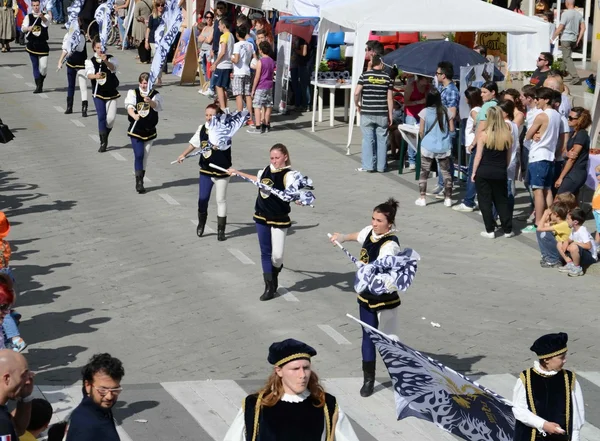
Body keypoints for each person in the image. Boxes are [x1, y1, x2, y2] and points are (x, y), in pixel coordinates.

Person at [329, 199, 403, 397]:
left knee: (389, 340)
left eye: (379, 220)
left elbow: (385, 264)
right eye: (373, 218)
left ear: (390, 224)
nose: (374, 223)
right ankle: (368, 379)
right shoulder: (370, 232)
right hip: (366, 296)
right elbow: (358, 236)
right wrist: (342, 237)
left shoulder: (390, 245)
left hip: (385, 299)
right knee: (368, 337)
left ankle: (401, 378)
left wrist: (369, 268)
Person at [223, 339, 360, 441]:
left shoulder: (326, 404)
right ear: (279, 371)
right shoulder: (255, 405)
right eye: (295, 369)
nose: (302, 375)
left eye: (306, 368)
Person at [227, 144, 305, 301]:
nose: (274, 161)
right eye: (272, 158)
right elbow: (257, 180)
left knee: (277, 256)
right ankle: (269, 286)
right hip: (261, 215)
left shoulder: (289, 175)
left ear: (285, 157)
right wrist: (237, 173)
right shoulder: (266, 170)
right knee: (265, 252)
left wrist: (298, 199)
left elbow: (295, 191)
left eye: (277, 158)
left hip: (279, 218)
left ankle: (275, 271)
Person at [177, 104, 249, 241]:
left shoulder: (225, 130)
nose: (209, 118)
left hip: (222, 170)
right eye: (207, 115)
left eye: (212, 115)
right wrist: (183, 155)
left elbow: (225, 144)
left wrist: (218, 144)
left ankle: (221, 230)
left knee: (220, 200)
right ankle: (201, 223)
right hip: (205, 170)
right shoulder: (202, 128)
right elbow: (194, 143)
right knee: (202, 199)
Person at [513, 332, 584, 440]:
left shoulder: (569, 379)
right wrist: (543, 424)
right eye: (561, 357)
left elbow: (577, 419)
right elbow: (519, 410)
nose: (565, 360)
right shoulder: (526, 379)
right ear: (546, 359)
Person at [454, 81, 499, 213]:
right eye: (481, 92)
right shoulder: (497, 105)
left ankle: (469, 201)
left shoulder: (487, 107)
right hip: (492, 143)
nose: (482, 94)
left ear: (493, 92)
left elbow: (482, 126)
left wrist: (473, 143)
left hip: (481, 143)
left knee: (473, 174)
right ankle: (485, 203)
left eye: (485, 92)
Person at [471, 106, 514, 238]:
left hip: (484, 171)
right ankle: (507, 230)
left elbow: (478, 156)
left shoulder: (484, 134)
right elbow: (508, 157)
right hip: (500, 171)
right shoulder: (507, 135)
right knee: (501, 201)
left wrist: (473, 172)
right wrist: (503, 168)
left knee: (485, 201)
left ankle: (490, 230)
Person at [524, 87, 561, 233]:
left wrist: (532, 135)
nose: (536, 101)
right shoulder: (557, 115)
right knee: (547, 190)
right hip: (550, 155)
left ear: (546, 100)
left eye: (538, 98)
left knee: (538, 191)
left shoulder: (542, 116)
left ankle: (538, 222)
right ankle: (550, 219)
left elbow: (527, 135)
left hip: (538, 156)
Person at [65, 353, 125, 441]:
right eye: (103, 390)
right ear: (88, 385)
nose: (109, 396)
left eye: (115, 390)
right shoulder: (85, 426)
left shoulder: (99, 408)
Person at [124, 72, 163, 194]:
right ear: (139, 83)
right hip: (136, 130)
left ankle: (141, 179)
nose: (144, 85)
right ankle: (138, 182)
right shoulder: (133, 93)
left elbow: (157, 106)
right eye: (143, 83)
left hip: (149, 130)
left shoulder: (155, 94)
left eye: (146, 83)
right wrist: (134, 115)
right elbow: (129, 106)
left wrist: (150, 101)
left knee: (145, 156)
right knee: (139, 154)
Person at [414, 89, 454, 207]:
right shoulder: (446, 111)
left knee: (424, 172)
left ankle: (422, 198)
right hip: (444, 146)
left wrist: (424, 138)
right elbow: (452, 129)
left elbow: (421, 131)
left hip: (428, 146)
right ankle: (448, 198)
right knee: (446, 173)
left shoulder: (424, 112)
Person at [355, 54, 393, 173]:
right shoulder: (388, 77)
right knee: (382, 140)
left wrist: (357, 105)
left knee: (367, 139)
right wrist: (390, 115)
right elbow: (390, 98)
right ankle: (381, 167)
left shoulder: (364, 75)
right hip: (381, 112)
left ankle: (369, 166)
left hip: (367, 111)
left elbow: (356, 93)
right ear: (381, 64)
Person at [85, 37, 120, 153]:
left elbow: (113, 68)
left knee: (110, 119)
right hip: (98, 92)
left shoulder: (111, 58)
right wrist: (95, 76)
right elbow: (89, 74)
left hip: (111, 93)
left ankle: (105, 134)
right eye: (98, 48)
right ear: (94, 48)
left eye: (102, 47)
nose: (100, 50)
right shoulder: (90, 61)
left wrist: (105, 61)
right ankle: (103, 142)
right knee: (101, 116)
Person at [555, 107, 591, 196]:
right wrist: (566, 154)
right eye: (568, 116)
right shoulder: (574, 133)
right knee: (570, 203)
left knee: (559, 200)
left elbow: (572, 159)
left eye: (571, 118)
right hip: (571, 172)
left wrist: (560, 178)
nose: (568, 119)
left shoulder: (581, 135)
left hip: (575, 173)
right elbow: (564, 152)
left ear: (580, 120)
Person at [57, 17, 88, 117]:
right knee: (71, 85)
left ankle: (84, 107)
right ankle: (69, 106)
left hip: (81, 63)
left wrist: (73, 46)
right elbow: (65, 49)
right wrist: (60, 61)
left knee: (83, 86)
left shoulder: (81, 36)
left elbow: (80, 48)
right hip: (70, 63)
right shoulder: (67, 35)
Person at [0, 349, 35, 439]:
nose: (28, 381)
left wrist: (26, 397)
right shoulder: (2, 424)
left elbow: (18, 430)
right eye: (23, 375)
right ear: (7, 378)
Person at [552, 0, 585, 85]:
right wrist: (578, 39)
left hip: (566, 38)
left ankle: (575, 77)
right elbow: (583, 28)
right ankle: (561, 73)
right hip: (573, 39)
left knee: (567, 58)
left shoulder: (565, 14)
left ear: (567, 3)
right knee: (566, 56)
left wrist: (553, 37)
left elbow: (560, 27)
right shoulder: (578, 14)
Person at [22, 0, 50, 94]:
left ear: (40, 5)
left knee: (44, 67)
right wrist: (27, 28)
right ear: (32, 6)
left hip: (42, 45)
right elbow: (23, 28)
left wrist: (42, 17)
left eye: (37, 5)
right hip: (32, 45)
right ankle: (38, 85)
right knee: (35, 65)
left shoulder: (45, 16)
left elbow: (46, 23)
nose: (36, 7)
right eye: (34, 5)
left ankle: (41, 80)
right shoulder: (28, 17)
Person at [403, 75, 430, 169]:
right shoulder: (411, 86)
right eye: (426, 79)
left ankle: (421, 158)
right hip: (411, 113)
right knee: (411, 136)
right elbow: (406, 102)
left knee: (423, 135)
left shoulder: (428, 87)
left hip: (422, 113)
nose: (428, 81)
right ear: (421, 79)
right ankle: (412, 160)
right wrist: (418, 102)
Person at [562, 207, 598, 276]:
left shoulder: (582, 230)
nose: (566, 221)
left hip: (591, 257)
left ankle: (577, 268)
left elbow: (588, 246)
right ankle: (570, 263)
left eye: (568, 219)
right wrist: (566, 242)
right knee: (560, 244)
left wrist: (575, 243)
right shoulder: (574, 230)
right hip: (581, 253)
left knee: (573, 247)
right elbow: (569, 239)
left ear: (575, 222)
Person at [250, 41, 275, 134]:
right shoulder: (272, 61)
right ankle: (266, 125)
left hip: (261, 86)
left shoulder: (260, 62)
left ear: (260, 51)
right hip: (269, 86)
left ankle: (258, 127)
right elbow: (272, 74)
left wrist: (253, 89)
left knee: (257, 106)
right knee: (268, 106)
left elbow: (257, 76)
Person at [536, 202, 571, 268]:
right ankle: (546, 256)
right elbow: (540, 226)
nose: (549, 215)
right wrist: (546, 220)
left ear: (556, 214)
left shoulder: (563, 224)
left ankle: (553, 260)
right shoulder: (557, 223)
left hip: (564, 252)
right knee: (541, 232)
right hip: (560, 250)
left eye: (550, 214)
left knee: (546, 234)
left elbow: (539, 228)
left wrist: (544, 214)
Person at [210, 16, 234, 110]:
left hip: (222, 65)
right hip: (228, 64)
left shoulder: (224, 36)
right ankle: (225, 107)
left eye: (219, 25)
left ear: (223, 26)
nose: (218, 27)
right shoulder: (231, 35)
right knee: (223, 88)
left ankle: (223, 108)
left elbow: (223, 51)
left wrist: (215, 63)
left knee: (218, 86)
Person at [230, 25, 253, 122]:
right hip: (247, 70)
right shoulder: (250, 45)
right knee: (247, 95)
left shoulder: (237, 45)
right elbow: (252, 57)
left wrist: (231, 57)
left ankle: (239, 117)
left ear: (237, 34)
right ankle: (250, 116)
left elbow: (236, 59)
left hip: (239, 72)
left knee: (238, 94)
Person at [144, 0, 164, 86]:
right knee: (157, 59)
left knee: (162, 60)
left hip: (162, 40)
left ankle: (158, 77)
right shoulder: (152, 16)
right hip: (153, 40)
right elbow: (148, 29)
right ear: (155, 6)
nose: (160, 7)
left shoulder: (166, 16)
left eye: (162, 5)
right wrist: (146, 41)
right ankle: (157, 77)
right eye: (158, 5)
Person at [463, 87, 483, 157]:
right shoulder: (480, 109)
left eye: (466, 97)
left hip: (472, 142)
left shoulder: (474, 111)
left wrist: (473, 128)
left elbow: (479, 122)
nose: (465, 98)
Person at [197, 10, 214, 85]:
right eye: (207, 17)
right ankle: (206, 83)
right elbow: (199, 38)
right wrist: (205, 38)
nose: (209, 19)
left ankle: (210, 84)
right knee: (204, 69)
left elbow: (210, 40)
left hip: (209, 50)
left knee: (209, 68)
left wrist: (204, 38)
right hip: (203, 50)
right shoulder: (204, 28)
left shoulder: (213, 27)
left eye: (210, 17)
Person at [594, 164, 600, 250]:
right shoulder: (599, 184)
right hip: (596, 210)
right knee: (598, 229)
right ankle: (596, 245)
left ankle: (596, 245)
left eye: (598, 174)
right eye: (596, 175)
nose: (597, 177)